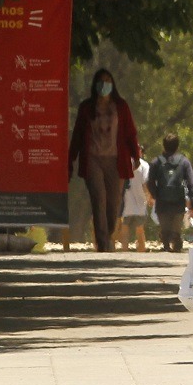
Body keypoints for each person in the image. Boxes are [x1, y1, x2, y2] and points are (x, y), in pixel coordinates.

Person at [68, 68, 139, 253]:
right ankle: (102, 243)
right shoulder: (86, 108)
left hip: (116, 161)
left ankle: (107, 234)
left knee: (113, 203)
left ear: (112, 84)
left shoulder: (121, 106)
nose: (104, 85)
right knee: (98, 199)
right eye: (100, 81)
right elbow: (77, 135)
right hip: (93, 160)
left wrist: (135, 155)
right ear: (95, 85)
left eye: (108, 81)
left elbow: (130, 132)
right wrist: (71, 157)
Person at [146, 132, 193, 253]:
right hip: (178, 201)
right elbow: (191, 182)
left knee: (165, 225)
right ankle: (176, 239)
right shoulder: (184, 162)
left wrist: (154, 195)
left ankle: (165, 242)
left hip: (162, 201)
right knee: (176, 225)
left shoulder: (156, 162)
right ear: (177, 146)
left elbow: (150, 181)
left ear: (163, 146)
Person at [118, 143, 151, 252]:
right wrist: (149, 197)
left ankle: (124, 251)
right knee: (140, 230)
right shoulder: (144, 165)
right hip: (140, 203)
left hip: (127, 203)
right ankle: (141, 252)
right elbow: (145, 184)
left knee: (125, 229)